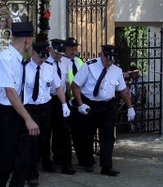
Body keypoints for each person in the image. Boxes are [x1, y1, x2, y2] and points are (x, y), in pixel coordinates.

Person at [0, 21, 39, 187]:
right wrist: (28, 119)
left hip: (18, 111)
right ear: (27, 39)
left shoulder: (19, 59)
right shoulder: (5, 58)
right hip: (6, 114)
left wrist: (26, 115)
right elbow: (10, 91)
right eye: (31, 40)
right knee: (7, 162)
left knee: (22, 162)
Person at [72, 45, 135, 176]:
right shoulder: (89, 66)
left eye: (112, 60)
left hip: (107, 105)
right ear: (101, 54)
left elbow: (122, 90)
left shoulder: (116, 70)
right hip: (89, 104)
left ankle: (106, 166)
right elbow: (76, 85)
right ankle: (88, 162)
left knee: (107, 135)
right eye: (107, 59)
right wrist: (80, 104)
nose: (109, 62)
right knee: (87, 134)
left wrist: (130, 107)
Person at [23, 41, 69, 187]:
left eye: (45, 56)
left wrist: (64, 104)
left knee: (44, 139)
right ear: (33, 53)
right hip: (30, 108)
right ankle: (31, 174)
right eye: (40, 56)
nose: (43, 59)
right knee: (32, 142)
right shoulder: (24, 68)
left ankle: (43, 163)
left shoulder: (49, 68)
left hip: (45, 107)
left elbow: (58, 87)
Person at [40, 39, 77, 174]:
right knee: (46, 132)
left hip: (61, 98)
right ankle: (46, 162)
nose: (59, 56)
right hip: (47, 99)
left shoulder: (66, 61)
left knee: (65, 132)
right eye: (56, 53)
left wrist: (69, 100)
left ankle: (67, 164)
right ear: (50, 49)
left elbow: (66, 82)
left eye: (61, 53)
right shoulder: (44, 61)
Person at [64, 37, 89, 165]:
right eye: (71, 49)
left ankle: (83, 159)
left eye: (75, 49)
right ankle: (62, 159)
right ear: (65, 49)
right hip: (66, 99)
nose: (73, 51)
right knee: (64, 132)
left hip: (79, 99)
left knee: (80, 132)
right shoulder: (62, 62)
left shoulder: (80, 61)